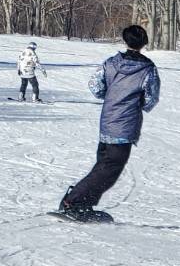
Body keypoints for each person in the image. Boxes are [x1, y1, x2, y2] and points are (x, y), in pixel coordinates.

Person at [57, 24, 161, 218]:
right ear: (144, 43)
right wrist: (139, 104)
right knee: (110, 169)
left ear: (125, 40)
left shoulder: (111, 63)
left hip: (107, 120)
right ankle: (73, 201)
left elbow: (95, 86)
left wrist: (111, 96)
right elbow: (151, 98)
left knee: (103, 166)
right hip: (125, 125)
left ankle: (83, 203)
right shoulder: (147, 69)